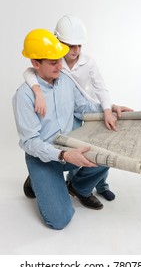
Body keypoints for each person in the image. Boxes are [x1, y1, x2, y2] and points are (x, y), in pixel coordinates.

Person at [12, 29, 131, 229]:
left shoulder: (65, 80)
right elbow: (30, 142)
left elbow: (83, 107)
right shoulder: (24, 96)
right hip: (44, 158)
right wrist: (64, 156)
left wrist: (109, 109)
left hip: (71, 148)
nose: (61, 65)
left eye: (60, 59)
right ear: (35, 63)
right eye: (53, 62)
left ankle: (77, 187)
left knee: (109, 152)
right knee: (60, 220)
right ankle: (38, 178)